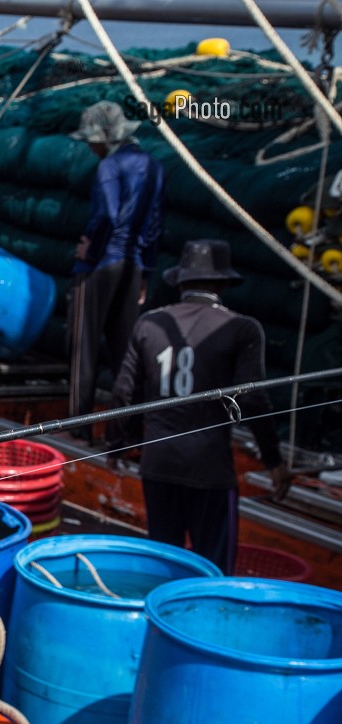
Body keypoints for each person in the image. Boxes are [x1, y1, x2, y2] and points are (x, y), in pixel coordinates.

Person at [109, 240, 290, 574]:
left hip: (158, 465)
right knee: (213, 572)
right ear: (222, 283)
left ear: (180, 281)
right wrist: (274, 461)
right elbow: (253, 397)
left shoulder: (148, 323)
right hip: (210, 471)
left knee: (163, 567)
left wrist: (118, 446)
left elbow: (123, 392)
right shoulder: (242, 328)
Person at [69, 100, 165, 436]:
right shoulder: (153, 166)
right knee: (126, 349)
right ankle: (125, 430)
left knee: (84, 347)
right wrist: (145, 275)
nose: (91, 148)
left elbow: (107, 215)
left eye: (92, 141)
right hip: (133, 266)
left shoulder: (108, 167)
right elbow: (153, 228)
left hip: (102, 265)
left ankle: (79, 428)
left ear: (106, 137)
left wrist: (89, 251)